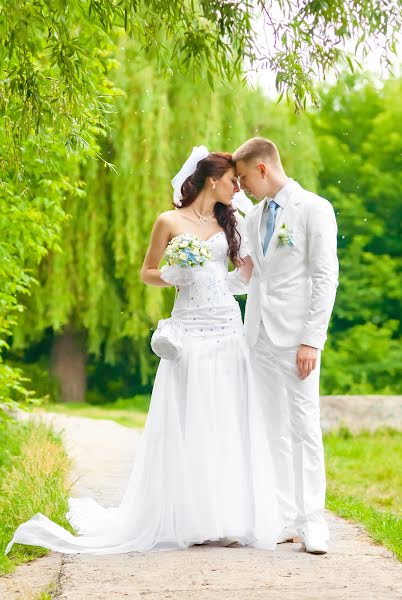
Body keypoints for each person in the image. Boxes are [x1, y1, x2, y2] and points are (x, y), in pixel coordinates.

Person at [5, 147, 281, 556]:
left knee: (227, 416)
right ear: (212, 180)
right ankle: (191, 517)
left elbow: (241, 274)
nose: (237, 187)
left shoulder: (232, 220)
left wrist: (251, 268)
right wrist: (175, 274)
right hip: (188, 330)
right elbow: (147, 272)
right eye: (232, 180)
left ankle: (228, 517)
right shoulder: (168, 221)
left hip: (226, 326)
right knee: (191, 417)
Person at [233, 137, 339, 554]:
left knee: (303, 426)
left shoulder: (314, 209)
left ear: (262, 169)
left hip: (297, 339)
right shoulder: (254, 216)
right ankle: (284, 518)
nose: (240, 188)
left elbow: (324, 277)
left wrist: (312, 339)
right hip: (257, 335)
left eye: (243, 179)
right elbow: (254, 275)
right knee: (271, 428)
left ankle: (313, 520)